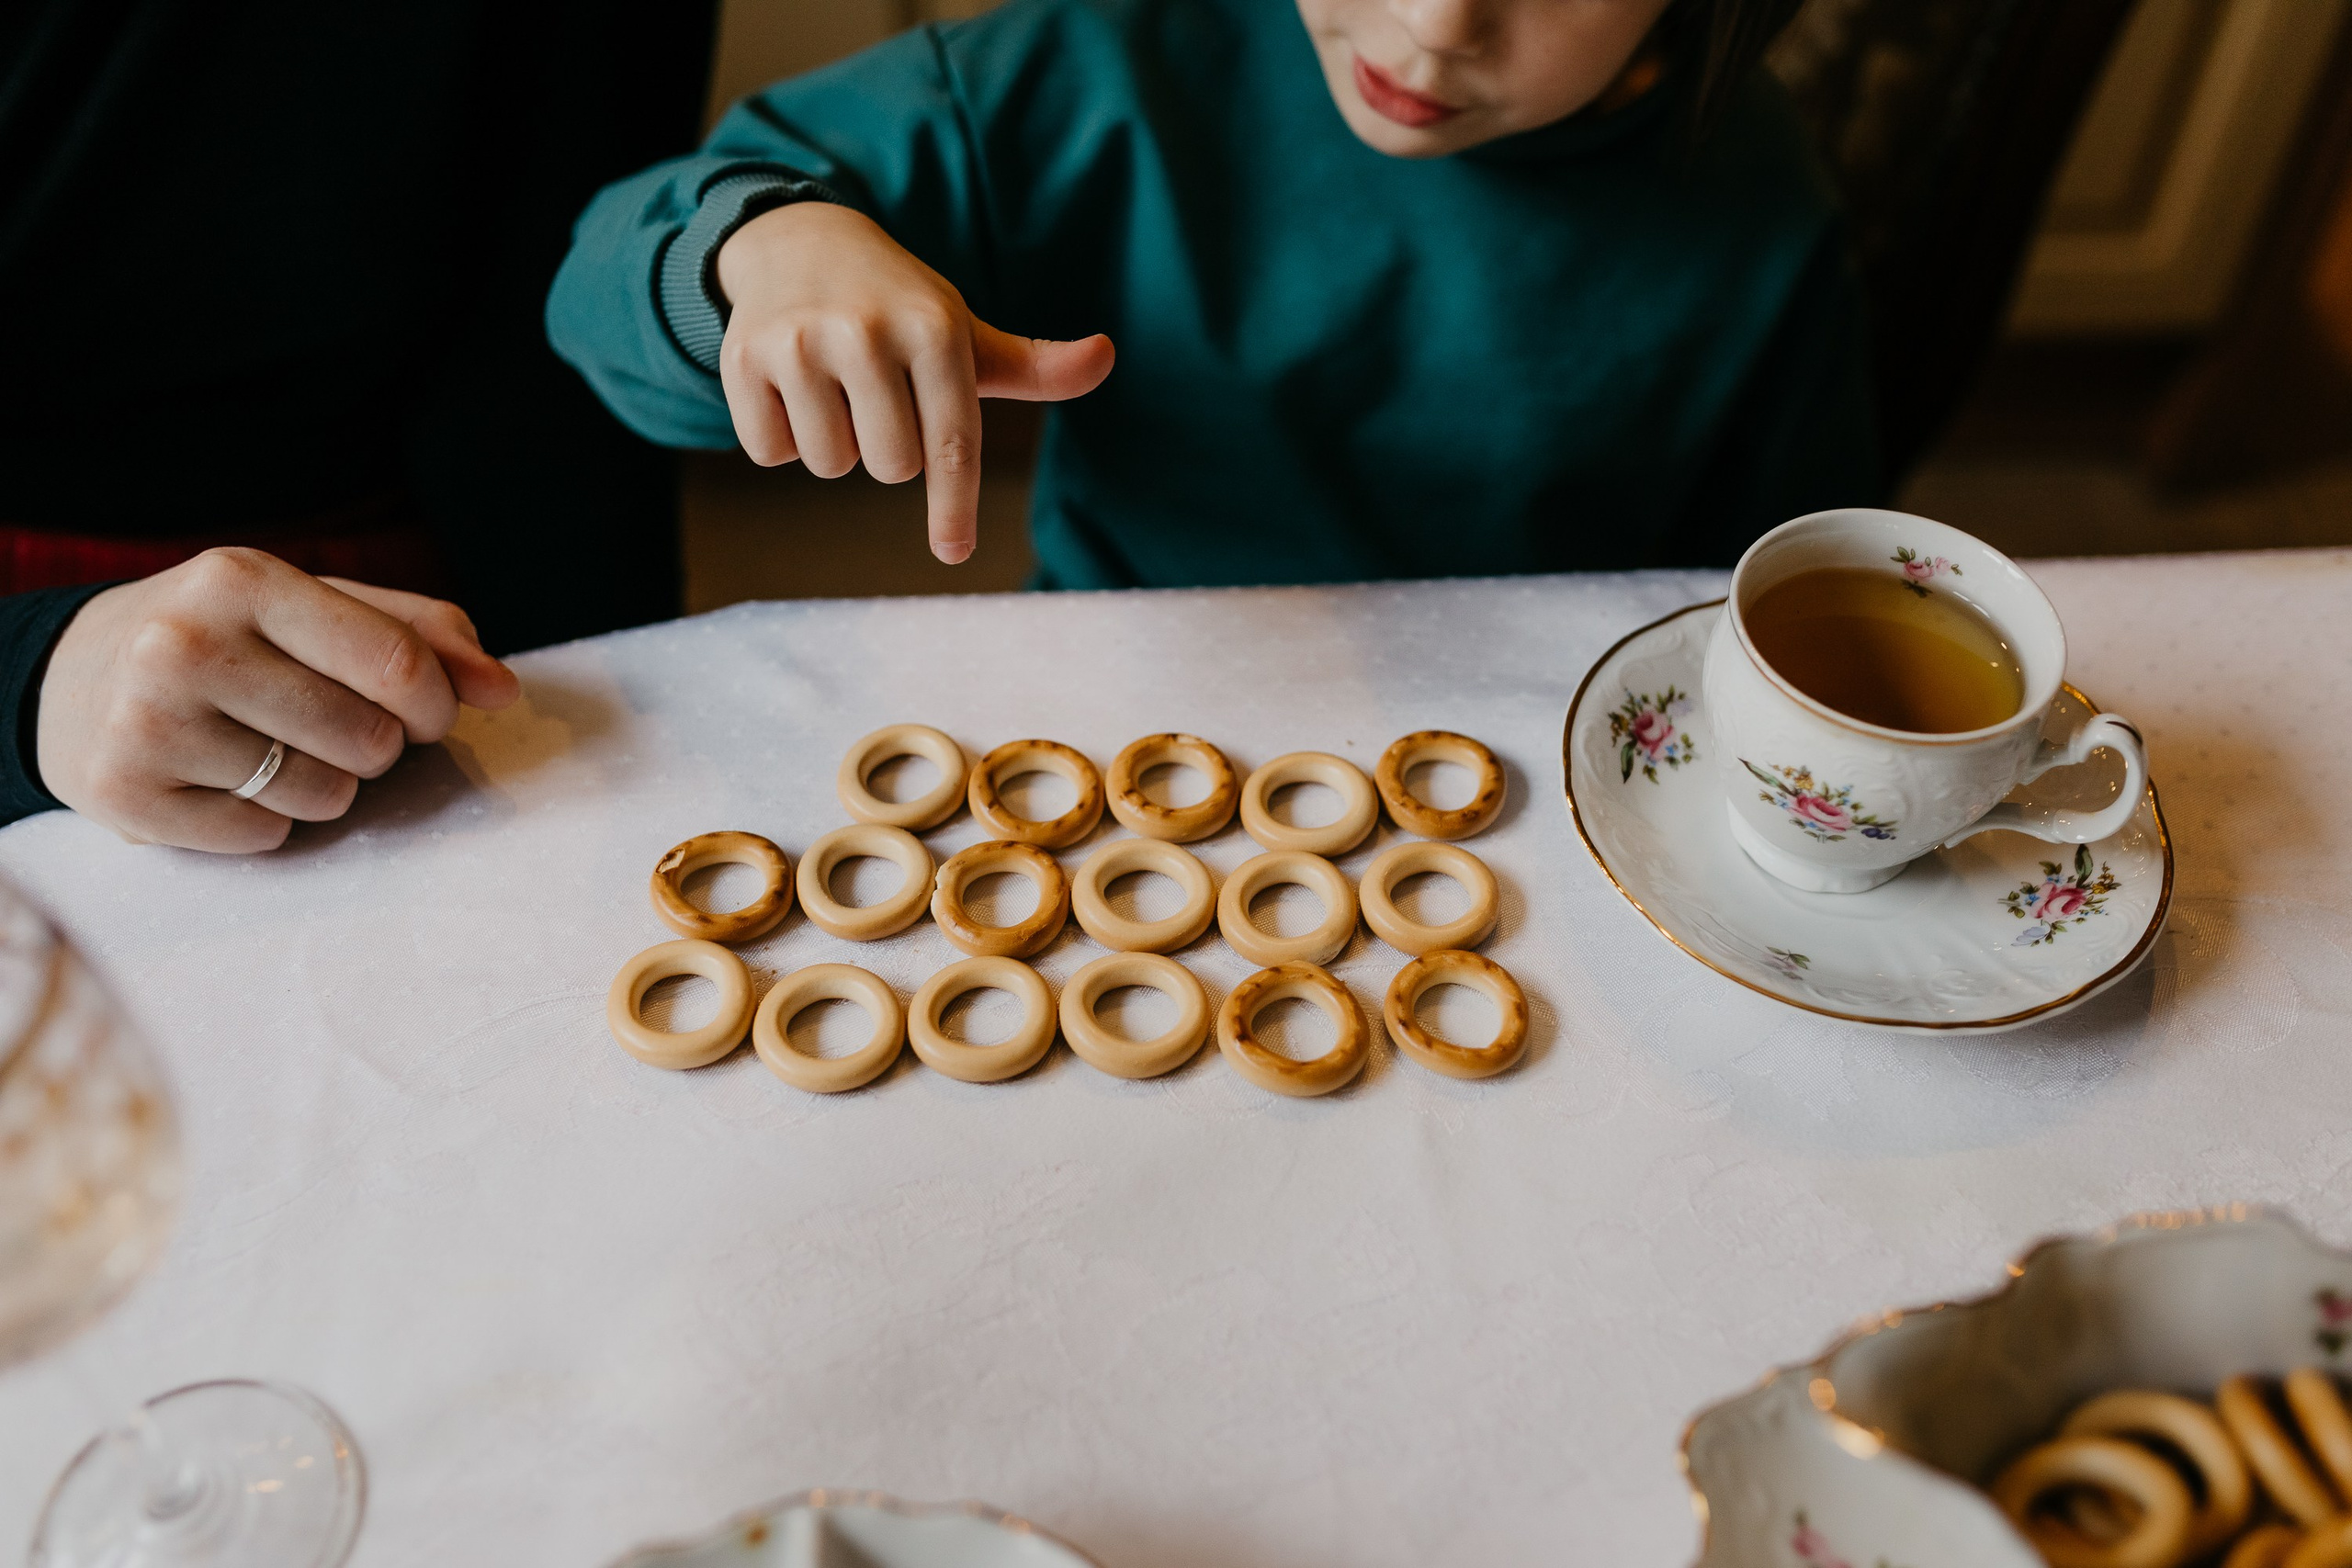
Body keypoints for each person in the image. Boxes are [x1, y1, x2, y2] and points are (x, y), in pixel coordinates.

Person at [548, 0, 1877, 591]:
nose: (1434, 24)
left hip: (1535, 756)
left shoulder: (1770, 213)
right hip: (1122, 696)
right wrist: (766, 250)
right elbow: (597, 297)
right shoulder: (1114, 57)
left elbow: (1774, 588)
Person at [0, 0, 714, 848]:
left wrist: (607, 732)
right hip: (49, 645)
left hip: (404, 599)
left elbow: (546, 340)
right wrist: (33, 673)